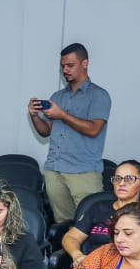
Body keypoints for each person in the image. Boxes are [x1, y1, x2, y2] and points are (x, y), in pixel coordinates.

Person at [28, 43, 112, 223]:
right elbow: (46, 132)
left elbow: (94, 129)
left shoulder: (99, 95)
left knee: (90, 226)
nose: (65, 70)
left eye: (70, 65)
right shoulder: (57, 97)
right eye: (62, 66)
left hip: (83, 172)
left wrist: (62, 115)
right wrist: (34, 116)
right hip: (54, 171)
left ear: (85, 63)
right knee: (63, 225)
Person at [61, 160, 140, 268]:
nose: (121, 183)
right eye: (117, 178)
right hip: (94, 267)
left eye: (130, 179)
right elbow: (71, 237)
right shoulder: (97, 208)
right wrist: (77, 255)